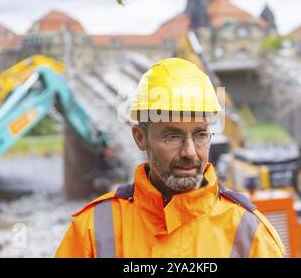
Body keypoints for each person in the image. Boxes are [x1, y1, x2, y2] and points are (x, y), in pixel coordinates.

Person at [55, 58, 285, 258]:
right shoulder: (93, 229)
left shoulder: (248, 232)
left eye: (201, 135)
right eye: (173, 136)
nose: (190, 152)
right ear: (140, 137)